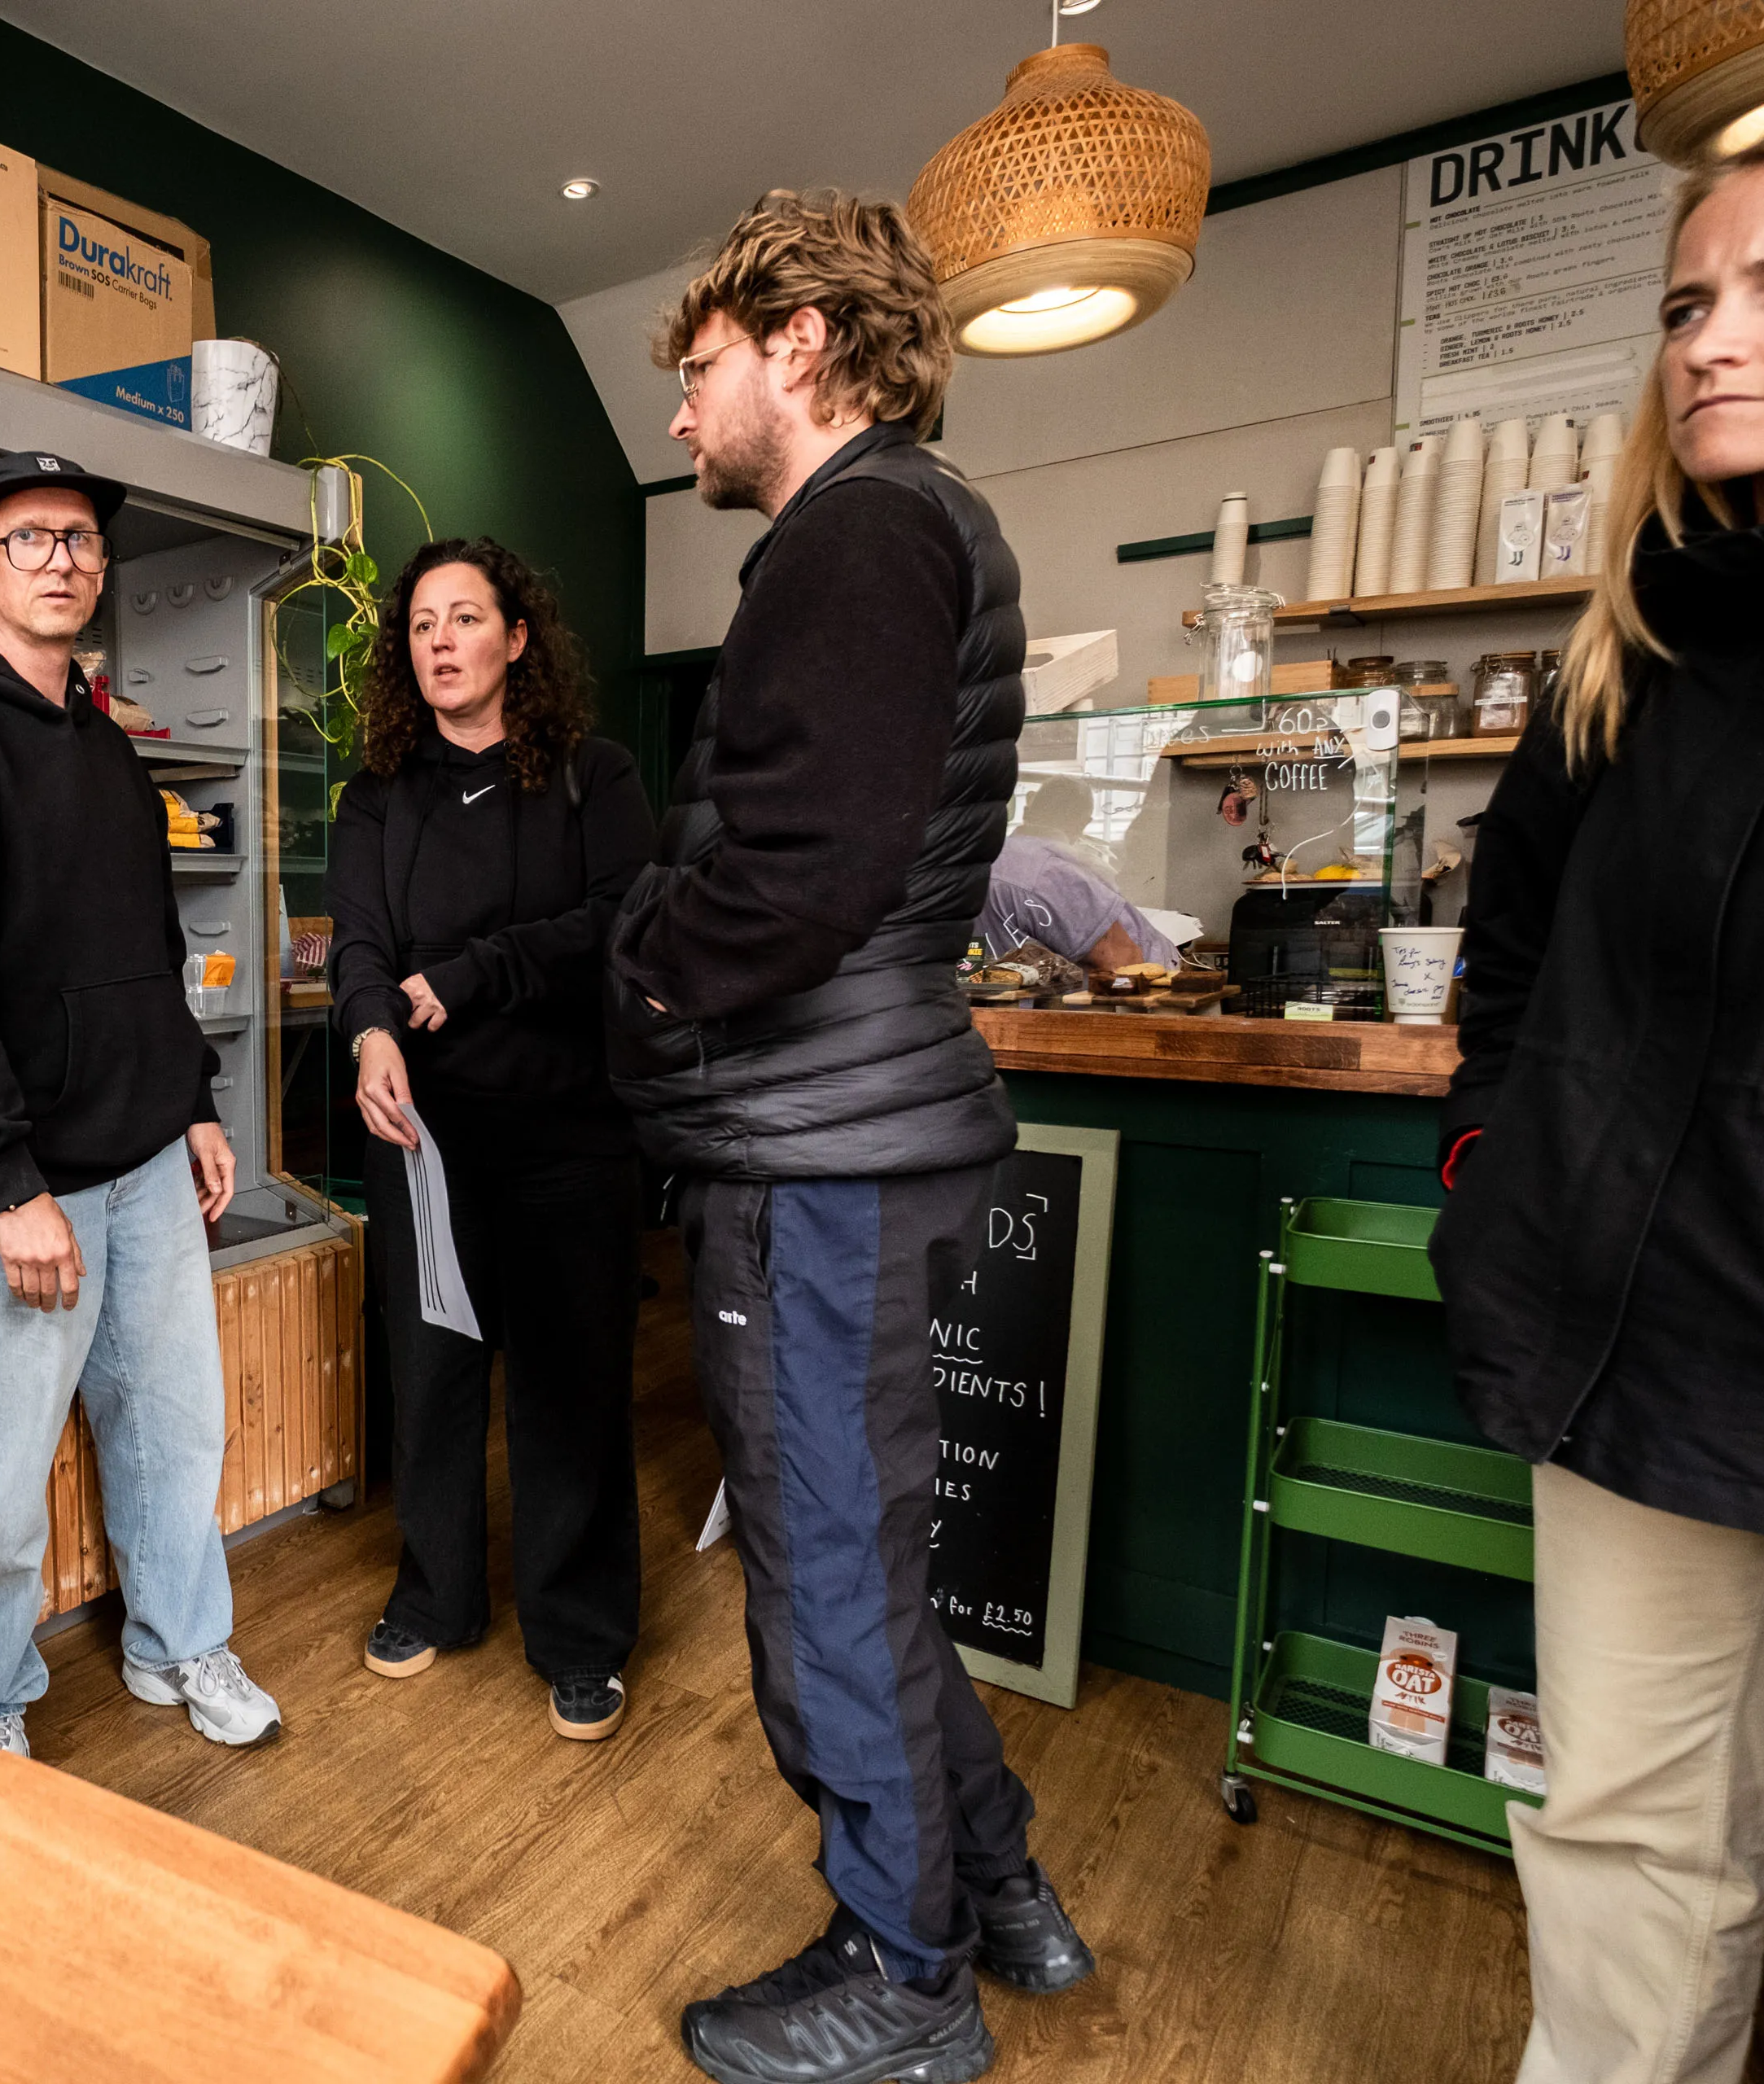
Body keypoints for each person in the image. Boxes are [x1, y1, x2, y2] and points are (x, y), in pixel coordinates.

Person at [605, 191, 1093, 2084]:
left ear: (795, 339)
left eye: (701, 366)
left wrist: (645, 969)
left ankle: (908, 1977)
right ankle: (999, 1887)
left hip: (814, 1143)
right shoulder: (917, 524)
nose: (678, 414)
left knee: (818, 1582)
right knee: (863, 1567)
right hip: (862, 1123)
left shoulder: (859, 526)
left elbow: (804, 869)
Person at [1434, 124, 1764, 2084]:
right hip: (1648, 1350)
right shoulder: (1622, 655)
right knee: (1631, 1849)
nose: (1710, 341)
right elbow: (1498, 966)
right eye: (1683, 301)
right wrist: (1491, 1163)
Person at [0, 449, 281, 1773]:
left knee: (172, 1431)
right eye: (30, 537)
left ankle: (176, 1642)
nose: (63, 559)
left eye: (83, 540)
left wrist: (194, 1101)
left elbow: (145, 945)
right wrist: (9, 1180)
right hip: (8, 1189)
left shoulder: (105, 741)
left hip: (146, 1160)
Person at [329, 536, 654, 1741]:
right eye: (420, 626)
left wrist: (474, 972)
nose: (440, 643)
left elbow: (623, 920)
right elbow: (358, 942)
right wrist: (369, 1034)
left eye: (464, 619)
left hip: (572, 1135)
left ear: (517, 639)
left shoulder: (594, 776)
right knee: (433, 1375)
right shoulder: (378, 791)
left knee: (570, 1388)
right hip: (425, 1140)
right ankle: (438, 1594)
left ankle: (581, 1636)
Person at [982, 780, 1178, 973]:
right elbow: (1127, 964)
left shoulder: (986, 860)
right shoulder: (1054, 873)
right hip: (1150, 977)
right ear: (1084, 822)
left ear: (1027, 809)